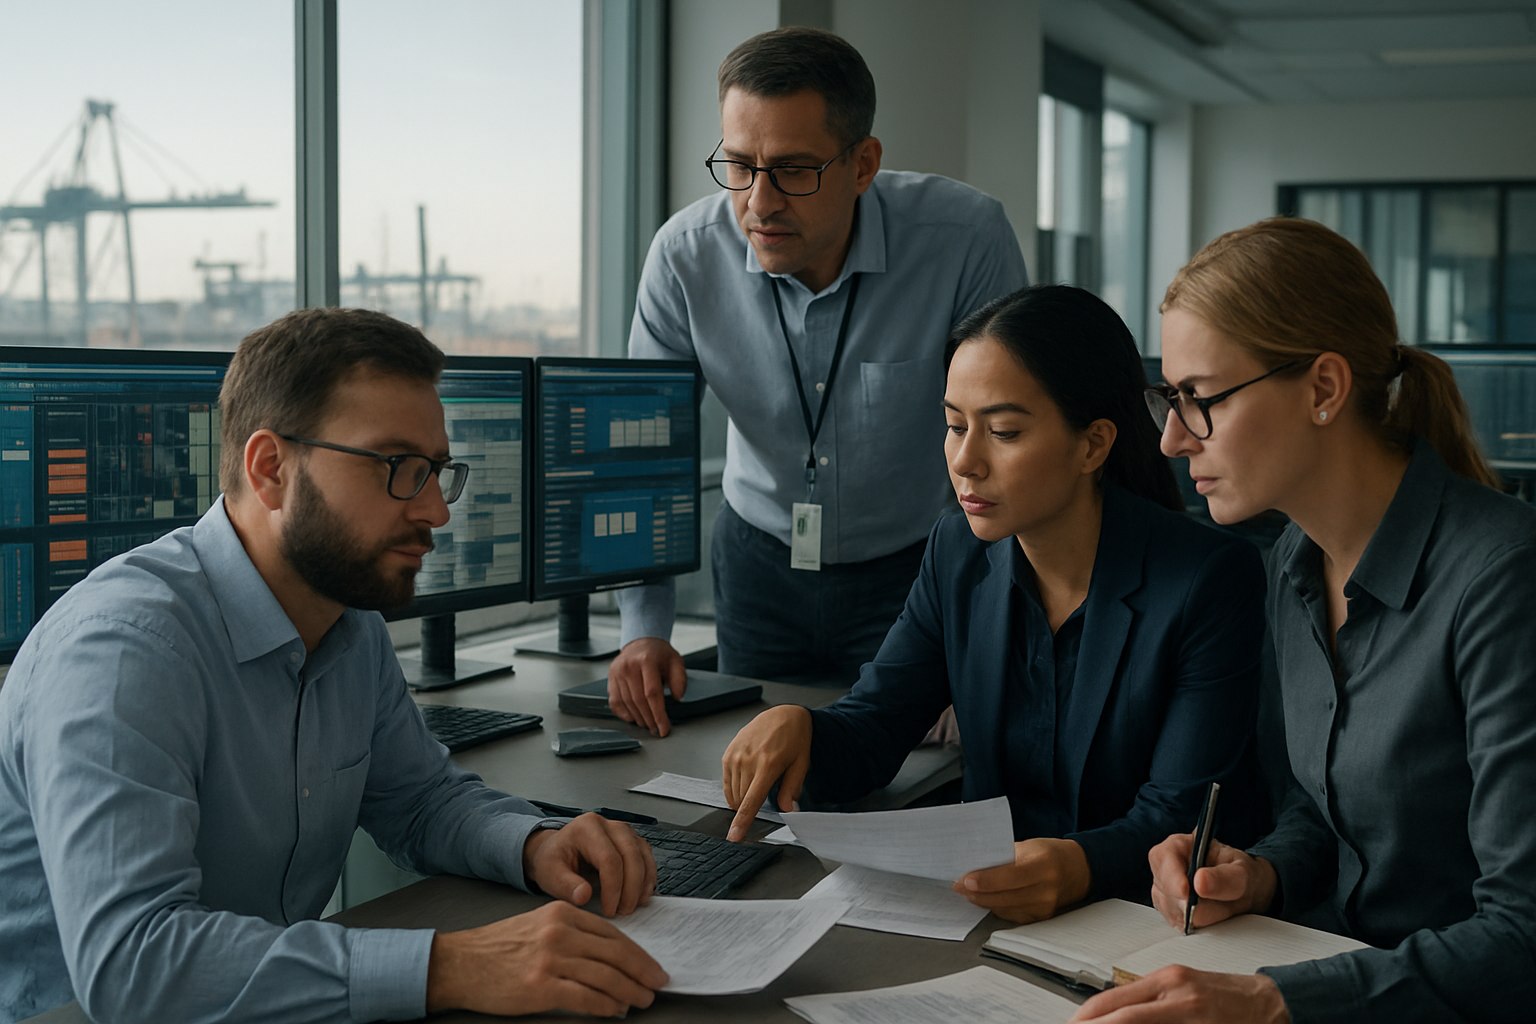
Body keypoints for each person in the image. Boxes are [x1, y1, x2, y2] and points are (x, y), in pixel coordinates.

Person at [0, 308, 667, 1024]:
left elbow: (418, 800)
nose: (437, 512)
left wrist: (535, 843)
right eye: (398, 468)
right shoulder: (125, 652)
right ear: (271, 469)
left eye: (438, 471)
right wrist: (451, 965)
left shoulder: (346, 623)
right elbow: (136, 965)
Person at [1073, 218, 1536, 1024]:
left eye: (1200, 399)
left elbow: (1524, 935)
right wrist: (1261, 873)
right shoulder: (1290, 563)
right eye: (1167, 399)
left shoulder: (1503, 578)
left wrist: (1269, 1001)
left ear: (1324, 389)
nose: (1175, 440)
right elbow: (1324, 818)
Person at [720, 285, 1269, 921]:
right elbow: (875, 729)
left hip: (1139, 923)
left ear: (1093, 444)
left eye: (1002, 432)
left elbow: (1180, 815)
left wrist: (1080, 864)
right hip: (981, 915)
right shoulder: (956, 550)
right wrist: (803, 727)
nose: (965, 461)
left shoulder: (1208, 577)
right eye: (954, 426)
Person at [607, 26, 1027, 736]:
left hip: (919, 566)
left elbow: (1009, 443)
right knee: (759, 780)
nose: (759, 203)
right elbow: (644, 454)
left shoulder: (964, 240)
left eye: (794, 169)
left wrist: (980, 619)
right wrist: (644, 627)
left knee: (919, 779)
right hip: (758, 561)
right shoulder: (684, 256)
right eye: (738, 166)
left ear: (863, 164)